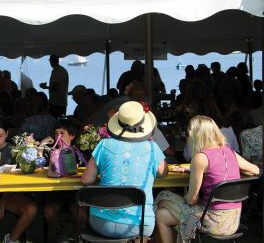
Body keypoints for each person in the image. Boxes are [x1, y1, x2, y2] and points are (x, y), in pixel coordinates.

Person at [155, 115, 259, 243]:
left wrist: (191, 182)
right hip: (233, 220)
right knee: (162, 214)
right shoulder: (229, 152)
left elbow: (192, 200)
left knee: (163, 197)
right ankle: (184, 233)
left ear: (195, 135)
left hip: (212, 221)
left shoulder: (200, 158)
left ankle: (183, 234)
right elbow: (256, 170)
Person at [82, 101, 168, 241]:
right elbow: (163, 173)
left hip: (101, 223)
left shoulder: (104, 144)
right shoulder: (152, 148)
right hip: (139, 224)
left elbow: (86, 180)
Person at [0, 118, 37, 243]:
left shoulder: (16, 152)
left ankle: (11, 239)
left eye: (1, 135)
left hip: (10, 195)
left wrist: (3, 201)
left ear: (7, 134)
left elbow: (21, 180)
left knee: (30, 209)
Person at [43, 119, 87, 242]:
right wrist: (42, 144)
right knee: (49, 212)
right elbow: (39, 166)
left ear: (72, 136)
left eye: (62, 133)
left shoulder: (80, 152)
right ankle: (62, 231)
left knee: (81, 213)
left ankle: (79, 235)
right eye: (56, 133)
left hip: (75, 193)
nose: (58, 136)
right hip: (55, 192)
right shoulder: (51, 152)